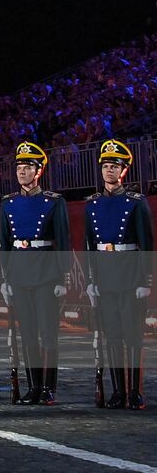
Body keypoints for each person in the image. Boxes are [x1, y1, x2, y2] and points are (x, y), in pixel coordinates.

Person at [0, 141, 70, 405]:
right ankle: (33, 386)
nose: (22, 171)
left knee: (47, 333)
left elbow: (63, 240)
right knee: (27, 332)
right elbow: (5, 243)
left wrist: (62, 278)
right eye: (19, 167)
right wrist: (5, 279)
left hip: (45, 274)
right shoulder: (9, 202)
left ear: (38, 171)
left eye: (27, 167)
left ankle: (48, 388)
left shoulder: (53, 202)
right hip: (19, 274)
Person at [84, 139, 153, 409]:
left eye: (115, 166)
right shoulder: (92, 203)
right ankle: (117, 391)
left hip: (129, 276)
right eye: (106, 166)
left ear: (124, 170)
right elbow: (91, 245)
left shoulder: (135, 202)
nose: (109, 170)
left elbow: (146, 244)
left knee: (133, 336)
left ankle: (135, 391)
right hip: (105, 277)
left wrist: (144, 281)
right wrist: (91, 281)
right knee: (112, 336)